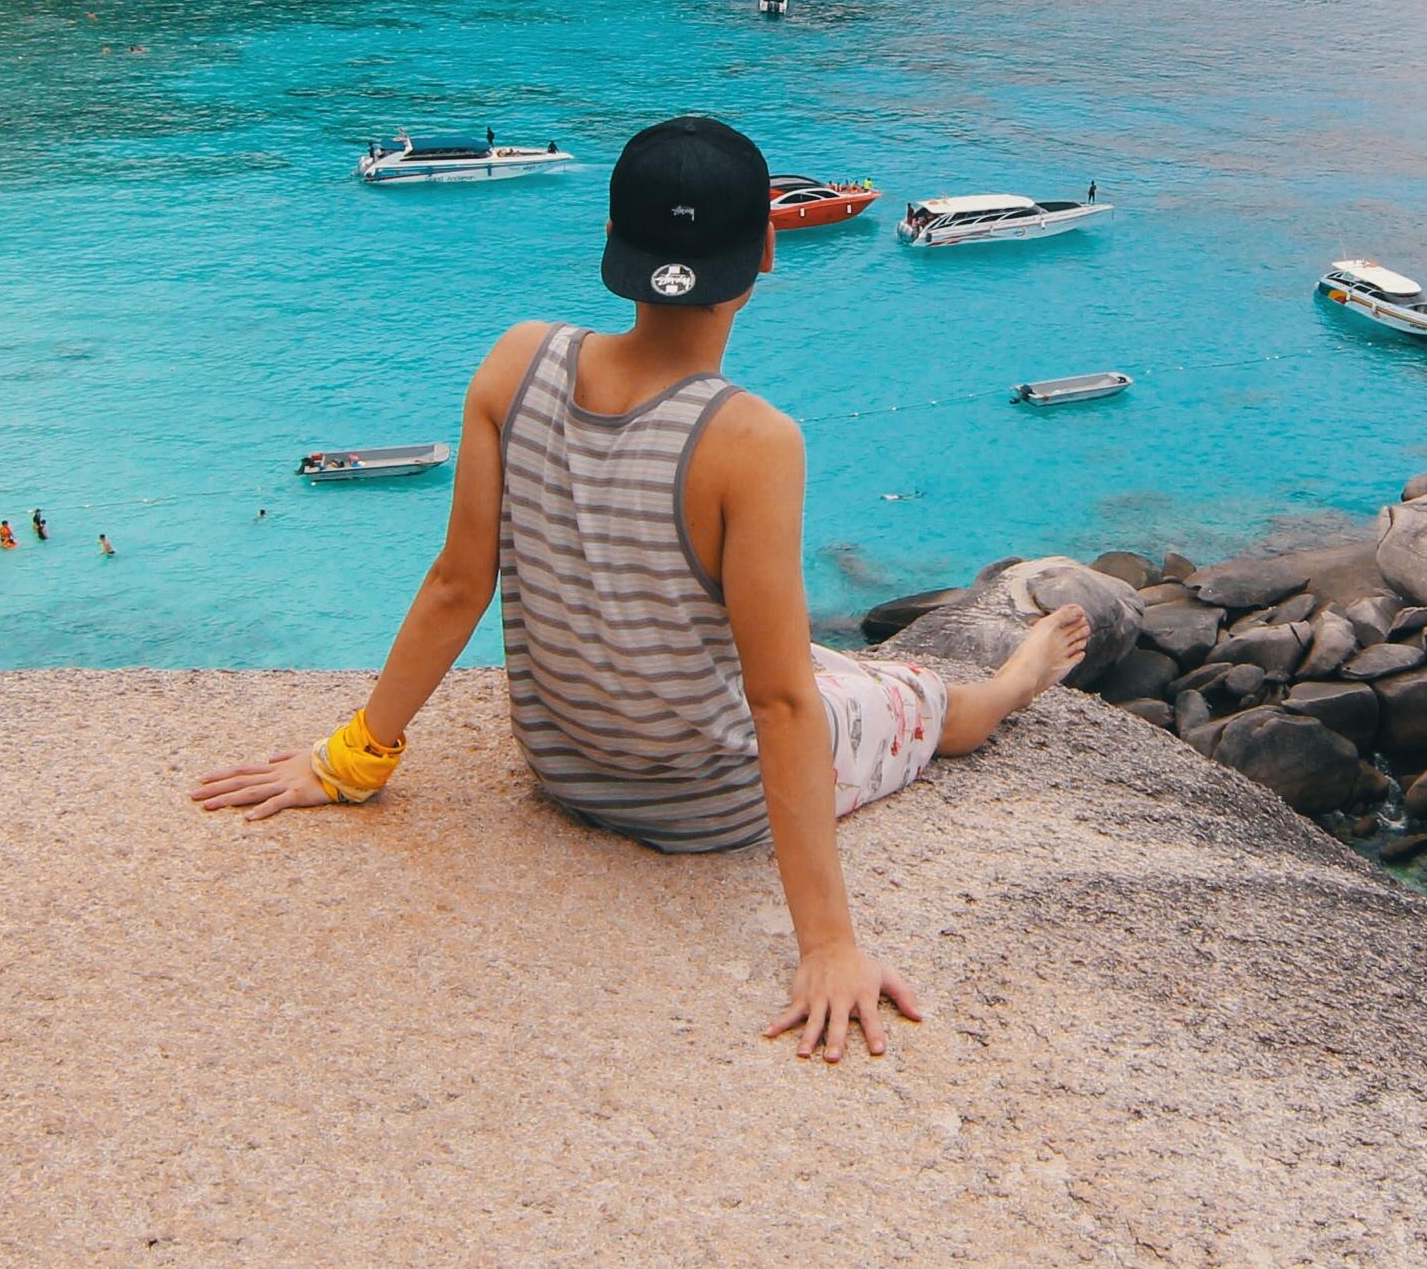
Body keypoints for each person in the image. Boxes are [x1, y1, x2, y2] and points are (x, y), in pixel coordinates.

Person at [189, 116, 1087, 1065]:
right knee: (906, 693)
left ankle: (906, 678)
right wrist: (828, 947)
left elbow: (458, 583)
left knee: (805, 656)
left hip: (565, 766)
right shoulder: (754, 440)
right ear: (768, 248)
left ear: (613, 243)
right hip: (707, 805)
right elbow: (779, 704)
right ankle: (1007, 686)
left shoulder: (516, 361)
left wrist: (352, 761)